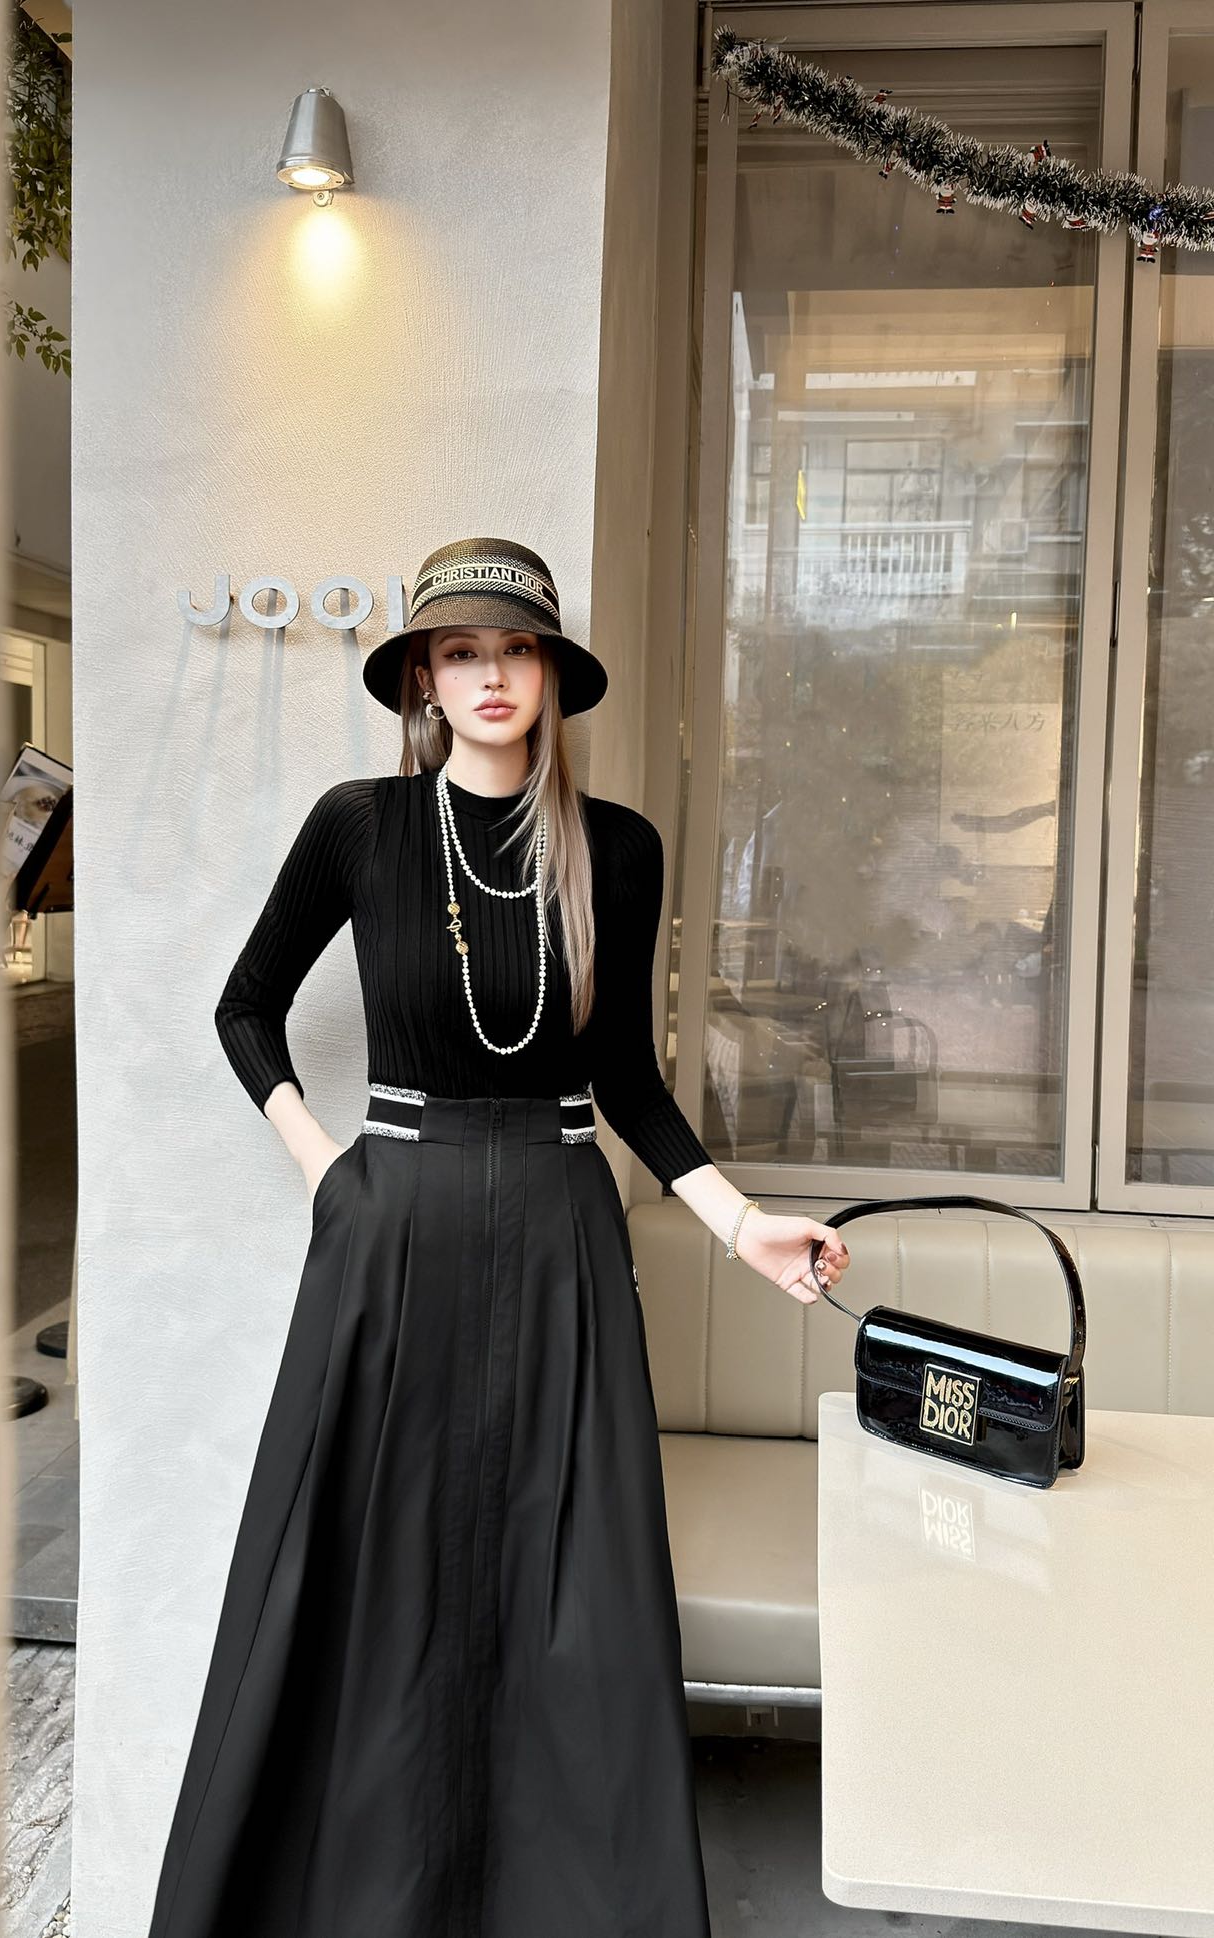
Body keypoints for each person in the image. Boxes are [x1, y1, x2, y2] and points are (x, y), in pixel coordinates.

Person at [145, 536, 851, 1938]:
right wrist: (328, 1171)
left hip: (558, 1229)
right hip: (392, 1231)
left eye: (514, 649)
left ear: (550, 674)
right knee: (360, 1568)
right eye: (460, 651)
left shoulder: (619, 848)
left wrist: (740, 1225)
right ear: (423, 675)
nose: (488, 675)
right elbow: (244, 1007)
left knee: (564, 1573)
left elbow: (629, 1078)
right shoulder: (361, 826)